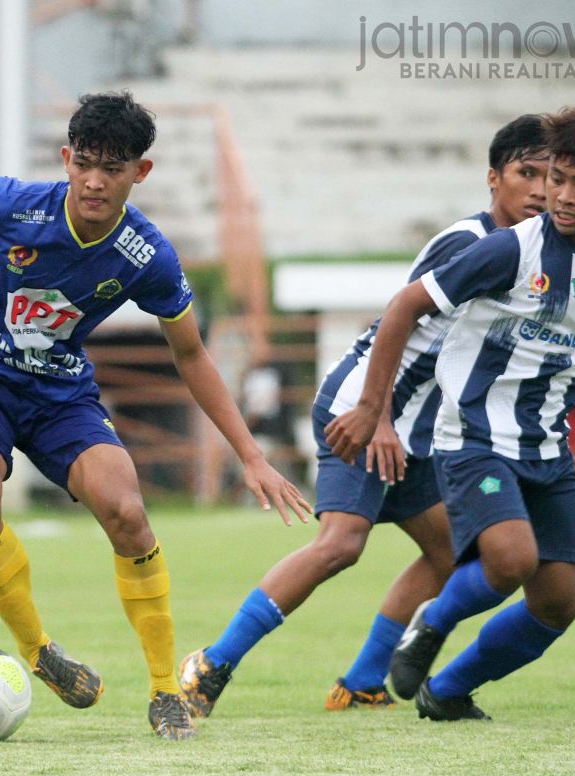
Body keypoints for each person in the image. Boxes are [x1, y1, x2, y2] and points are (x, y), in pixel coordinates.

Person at [0, 91, 311, 740]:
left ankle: (163, 691)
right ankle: (39, 652)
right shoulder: (12, 206)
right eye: (84, 162)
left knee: (127, 511)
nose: (94, 180)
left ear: (139, 174)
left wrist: (252, 456)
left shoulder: (147, 256)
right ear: (66, 159)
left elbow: (192, 355)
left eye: (113, 167)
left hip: (60, 395)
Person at [177, 115, 550, 718]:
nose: (538, 189)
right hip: (366, 407)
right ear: (493, 179)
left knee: (451, 552)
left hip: (420, 429)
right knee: (342, 544)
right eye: (525, 173)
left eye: (549, 177)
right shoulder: (470, 243)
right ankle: (211, 664)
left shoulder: (535, 254)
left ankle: (363, 681)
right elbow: (397, 322)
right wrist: (376, 419)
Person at [326, 99, 575, 720]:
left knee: (558, 604)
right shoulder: (509, 251)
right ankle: (431, 624)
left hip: (546, 445)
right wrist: (372, 408)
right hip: (471, 435)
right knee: (511, 558)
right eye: (555, 180)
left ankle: (447, 691)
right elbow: (403, 308)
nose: (562, 196)